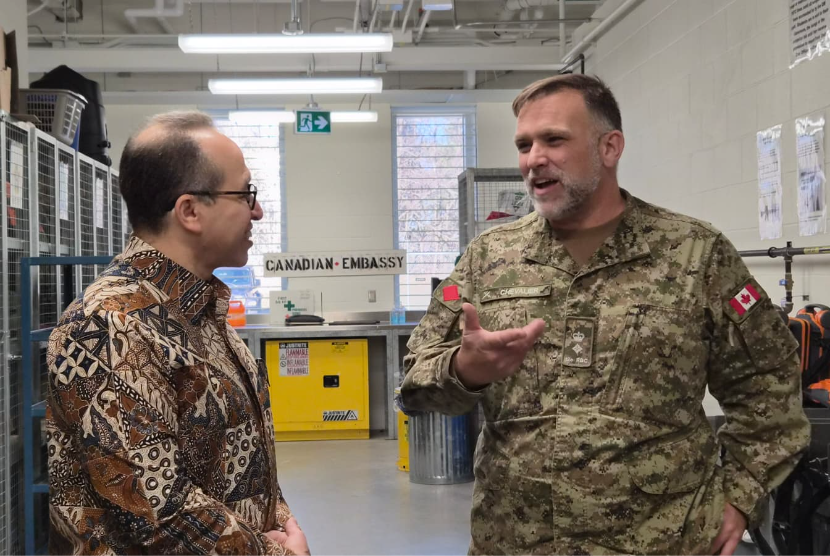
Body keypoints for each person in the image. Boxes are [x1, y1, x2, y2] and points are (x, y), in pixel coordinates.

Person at [401, 75, 811, 555]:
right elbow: (414, 384)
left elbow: (768, 383)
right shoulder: (488, 259)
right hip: (518, 540)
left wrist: (741, 497)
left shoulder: (694, 253)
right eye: (524, 144)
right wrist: (464, 371)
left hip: (664, 541)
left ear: (610, 147)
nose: (534, 158)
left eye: (554, 139)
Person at [46, 111, 310, 555]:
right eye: (246, 194)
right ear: (189, 211)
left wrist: (282, 522)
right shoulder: (109, 326)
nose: (258, 211)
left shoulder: (200, 312)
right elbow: (160, 513)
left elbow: (240, 464)